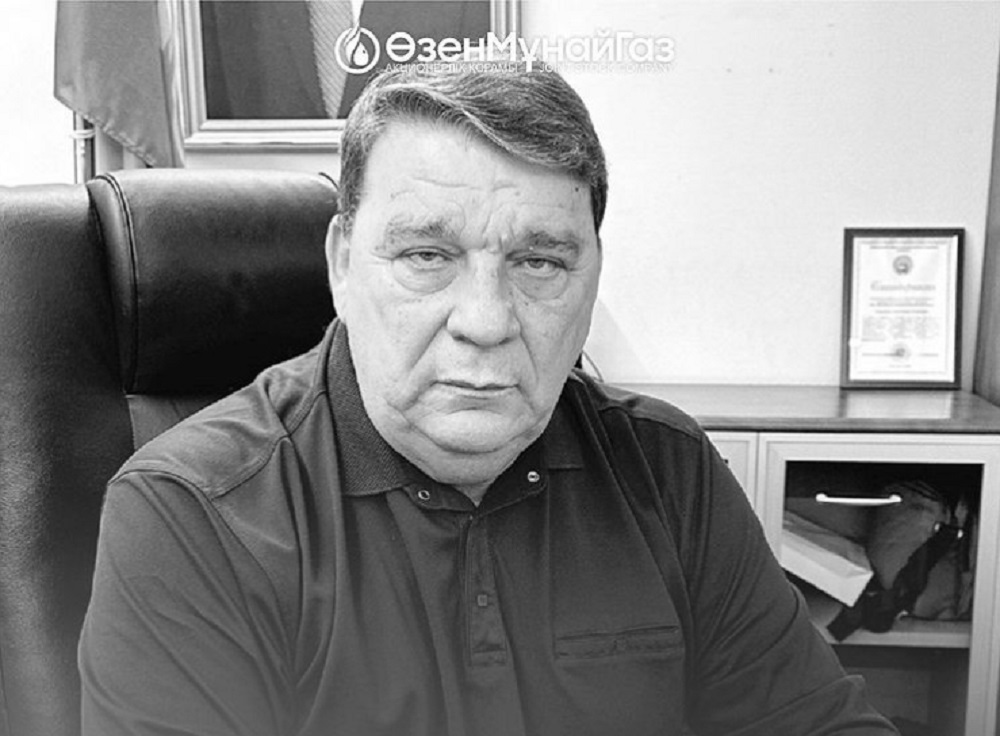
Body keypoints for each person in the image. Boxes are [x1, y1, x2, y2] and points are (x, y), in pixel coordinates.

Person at [79, 62, 898, 736]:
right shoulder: (192, 514)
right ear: (341, 264)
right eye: (426, 255)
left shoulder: (668, 472)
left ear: (592, 280)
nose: (486, 321)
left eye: (539, 263)